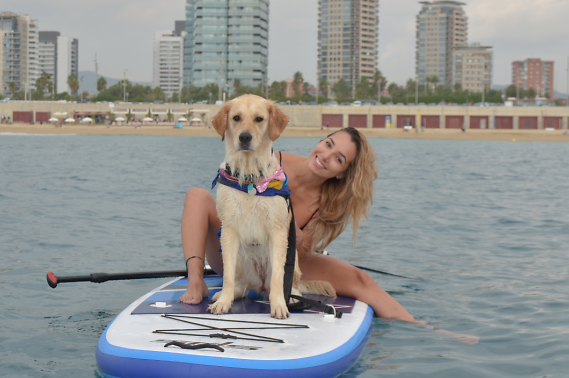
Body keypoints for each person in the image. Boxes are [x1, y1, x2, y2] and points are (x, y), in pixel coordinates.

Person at [179, 126, 478, 344]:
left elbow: (298, 250)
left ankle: (427, 329)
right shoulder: (271, 159)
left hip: (281, 265)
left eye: (338, 159)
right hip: (235, 254)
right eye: (328, 144)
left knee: (362, 280)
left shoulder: (329, 205)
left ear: (341, 173)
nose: (325, 156)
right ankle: (196, 281)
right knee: (196, 195)